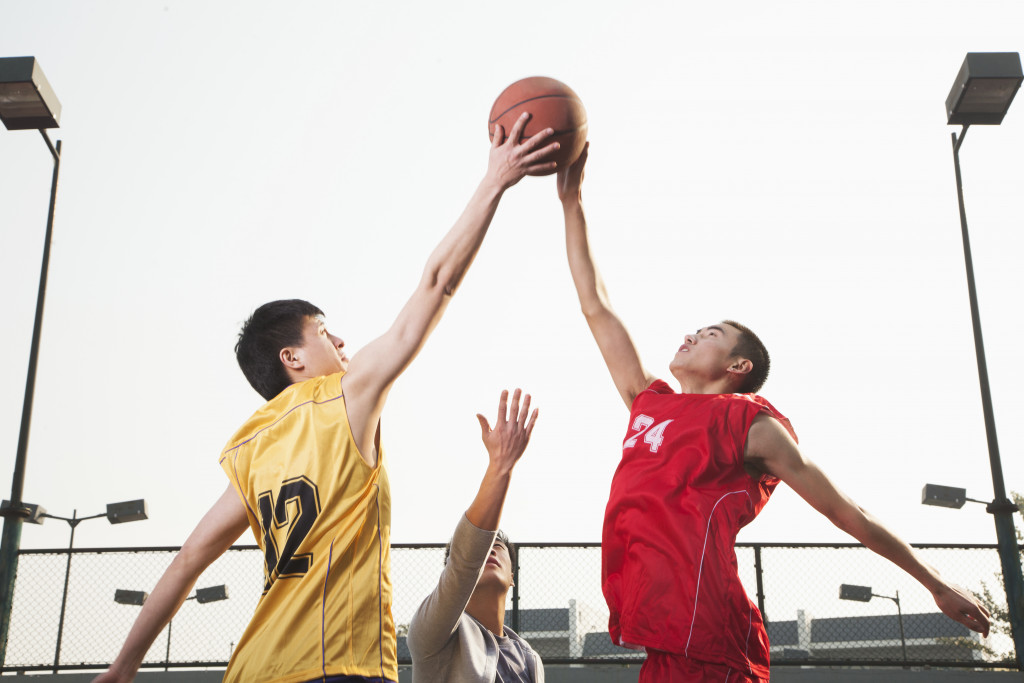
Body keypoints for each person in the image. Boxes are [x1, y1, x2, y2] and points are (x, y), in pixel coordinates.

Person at [92, 113, 559, 683]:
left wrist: (122, 667)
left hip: (253, 668)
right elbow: (437, 283)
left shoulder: (251, 446)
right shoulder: (347, 395)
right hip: (336, 664)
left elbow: (189, 559)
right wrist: (494, 180)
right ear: (292, 358)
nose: (341, 340)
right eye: (324, 331)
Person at [556, 143, 991, 682]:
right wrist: (572, 201)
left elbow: (845, 510)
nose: (691, 334)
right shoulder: (651, 404)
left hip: (710, 633)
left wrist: (936, 584)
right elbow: (596, 305)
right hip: (661, 631)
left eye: (710, 334)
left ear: (738, 365)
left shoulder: (751, 425)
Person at [407, 388, 544, 683]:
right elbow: (465, 562)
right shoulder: (433, 634)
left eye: (499, 547)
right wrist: (501, 465)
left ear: (512, 578)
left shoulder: (529, 657)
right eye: (484, 546)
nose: (490, 550)